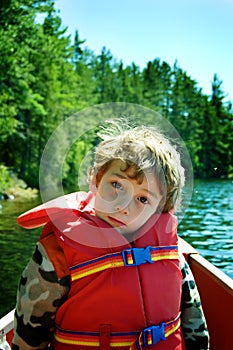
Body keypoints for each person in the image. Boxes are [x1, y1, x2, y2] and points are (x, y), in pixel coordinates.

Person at [12, 121, 209, 350]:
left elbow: (194, 320)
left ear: (160, 210)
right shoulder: (58, 252)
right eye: (117, 185)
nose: (123, 206)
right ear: (96, 179)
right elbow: (29, 336)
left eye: (143, 199)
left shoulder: (168, 250)